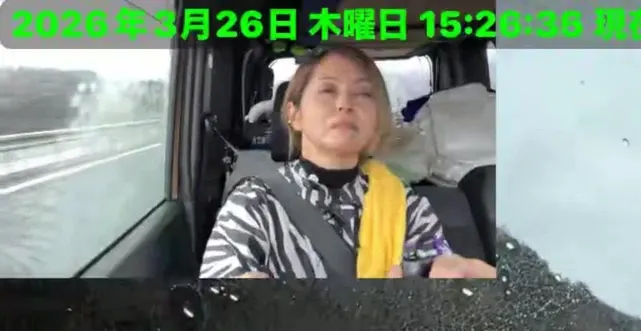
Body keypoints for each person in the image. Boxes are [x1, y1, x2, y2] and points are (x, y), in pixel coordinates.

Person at [199, 44, 496, 279]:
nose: (345, 104)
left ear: (377, 117)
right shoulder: (254, 202)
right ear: (294, 114)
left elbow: (436, 260)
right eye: (327, 90)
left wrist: (448, 278)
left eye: (363, 94)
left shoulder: (406, 205)